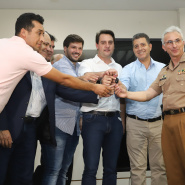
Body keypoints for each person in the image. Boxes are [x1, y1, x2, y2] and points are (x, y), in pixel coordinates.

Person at [0, 29, 106, 185]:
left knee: (24, 175)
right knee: (3, 171)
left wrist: (98, 92)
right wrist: (2, 127)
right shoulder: (20, 64)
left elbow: (66, 90)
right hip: (10, 127)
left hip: (31, 129)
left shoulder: (49, 72)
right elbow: (4, 94)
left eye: (51, 46)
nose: (49, 49)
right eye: (45, 44)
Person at [115, 26, 185, 185]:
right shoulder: (164, 71)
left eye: (177, 41)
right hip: (167, 123)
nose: (174, 45)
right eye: (169, 42)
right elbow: (148, 94)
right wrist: (125, 94)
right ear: (164, 47)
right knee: (173, 171)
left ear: (182, 42)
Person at [0, 12, 111, 114]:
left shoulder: (3, 43)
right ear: (24, 32)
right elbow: (64, 79)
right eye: (39, 33)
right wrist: (94, 88)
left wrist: (98, 77)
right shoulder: (27, 53)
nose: (42, 39)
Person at [40, 34, 92, 185]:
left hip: (74, 126)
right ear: (65, 49)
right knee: (53, 170)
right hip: (59, 126)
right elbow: (73, 87)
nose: (77, 51)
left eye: (80, 48)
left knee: (64, 170)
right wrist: (97, 87)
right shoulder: (61, 64)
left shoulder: (78, 67)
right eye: (73, 47)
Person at [119, 33, 167, 185]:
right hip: (135, 124)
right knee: (137, 169)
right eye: (136, 46)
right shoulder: (127, 69)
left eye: (143, 45)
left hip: (158, 124)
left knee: (159, 167)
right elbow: (123, 86)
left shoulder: (162, 68)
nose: (140, 48)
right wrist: (120, 88)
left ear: (150, 46)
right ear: (133, 49)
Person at [78, 30, 124, 185]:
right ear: (97, 45)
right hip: (93, 119)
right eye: (103, 42)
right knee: (91, 168)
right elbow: (84, 82)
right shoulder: (87, 63)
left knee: (111, 169)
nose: (107, 45)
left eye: (110, 42)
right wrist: (103, 75)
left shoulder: (119, 67)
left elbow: (122, 96)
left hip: (115, 119)